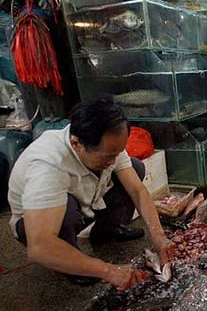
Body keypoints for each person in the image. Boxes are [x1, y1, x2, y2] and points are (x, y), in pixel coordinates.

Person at [8, 95, 175, 289]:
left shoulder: (107, 143)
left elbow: (137, 191)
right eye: (107, 156)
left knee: (135, 168)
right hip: (38, 225)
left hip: (87, 202)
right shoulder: (48, 164)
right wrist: (108, 270)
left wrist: (158, 236)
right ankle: (70, 264)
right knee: (67, 211)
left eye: (117, 153)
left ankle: (106, 230)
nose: (113, 160)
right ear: (77, 144)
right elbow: (39, 247)